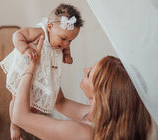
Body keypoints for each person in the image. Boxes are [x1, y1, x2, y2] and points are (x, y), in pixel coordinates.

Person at [12, 36, 152, 140]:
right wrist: (48, 56)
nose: (85, 70)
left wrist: (30, 66)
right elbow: (59, 102)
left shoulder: (80, 132)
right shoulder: (98, 116)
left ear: (101, 92)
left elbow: (20, 117)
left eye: (89, 73)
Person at [0, 3, 84, 140]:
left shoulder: (63, 42)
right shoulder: (40, 32)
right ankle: (14, 127)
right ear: (50, 27)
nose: (67, 44)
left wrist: (67, 55)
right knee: (17, 100)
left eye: (71, 41)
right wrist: (26, 50)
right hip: (25, 69)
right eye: (64, 38)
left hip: (42, 74)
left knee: (34, 106)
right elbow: (18, 35)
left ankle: (29, 127)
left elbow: (65, 47)